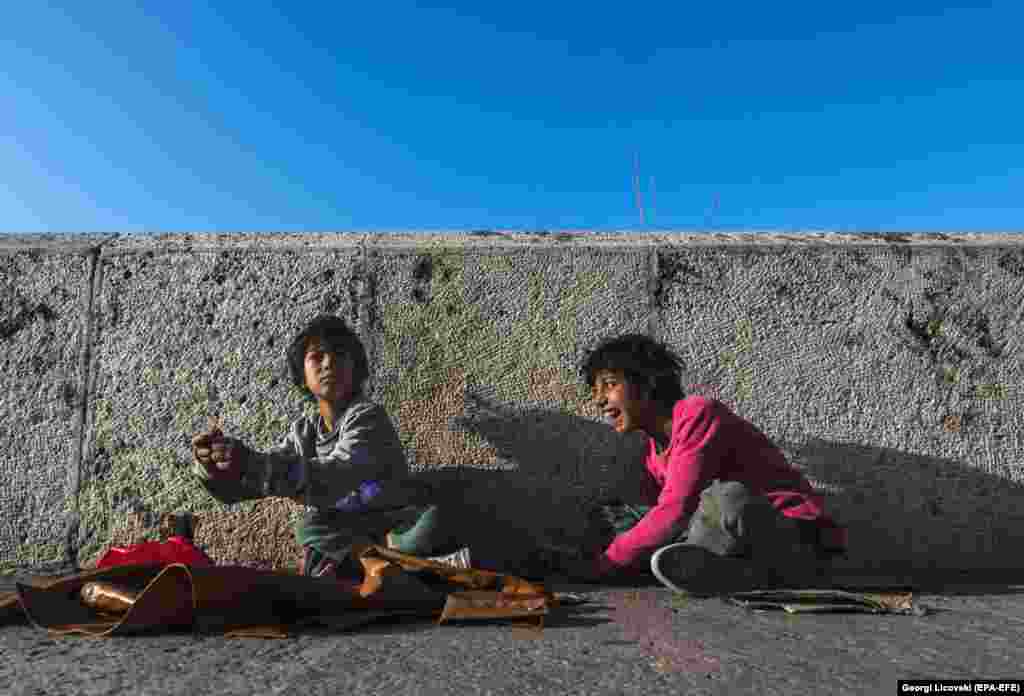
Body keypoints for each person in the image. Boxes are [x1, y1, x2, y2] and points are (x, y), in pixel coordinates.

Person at [562, 333, 846, 593]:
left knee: (726, 497)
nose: (599, 399)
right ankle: (736, 574)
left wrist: (607, 563)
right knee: (612, 516)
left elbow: (675, 511)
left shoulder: (697, 413)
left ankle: (766, 571)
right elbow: (668, 516)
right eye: (596, 390)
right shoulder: (654, 451)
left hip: (793, 539)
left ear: (646, 384)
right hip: (717, 537)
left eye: (610, 385)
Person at [191, 314, 436, 579]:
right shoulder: (304, 431)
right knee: (312, 528)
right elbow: (259, 479)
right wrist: (216, 467)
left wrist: (251, 464)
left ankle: (375, 564)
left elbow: (335, 475)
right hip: (344, 535)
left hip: (390, 526)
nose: (329, 363)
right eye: (317, 356)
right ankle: (362, 565)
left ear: (357, 368)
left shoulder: (368, 417)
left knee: (422, 528)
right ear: (302, 377)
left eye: (340, 354)